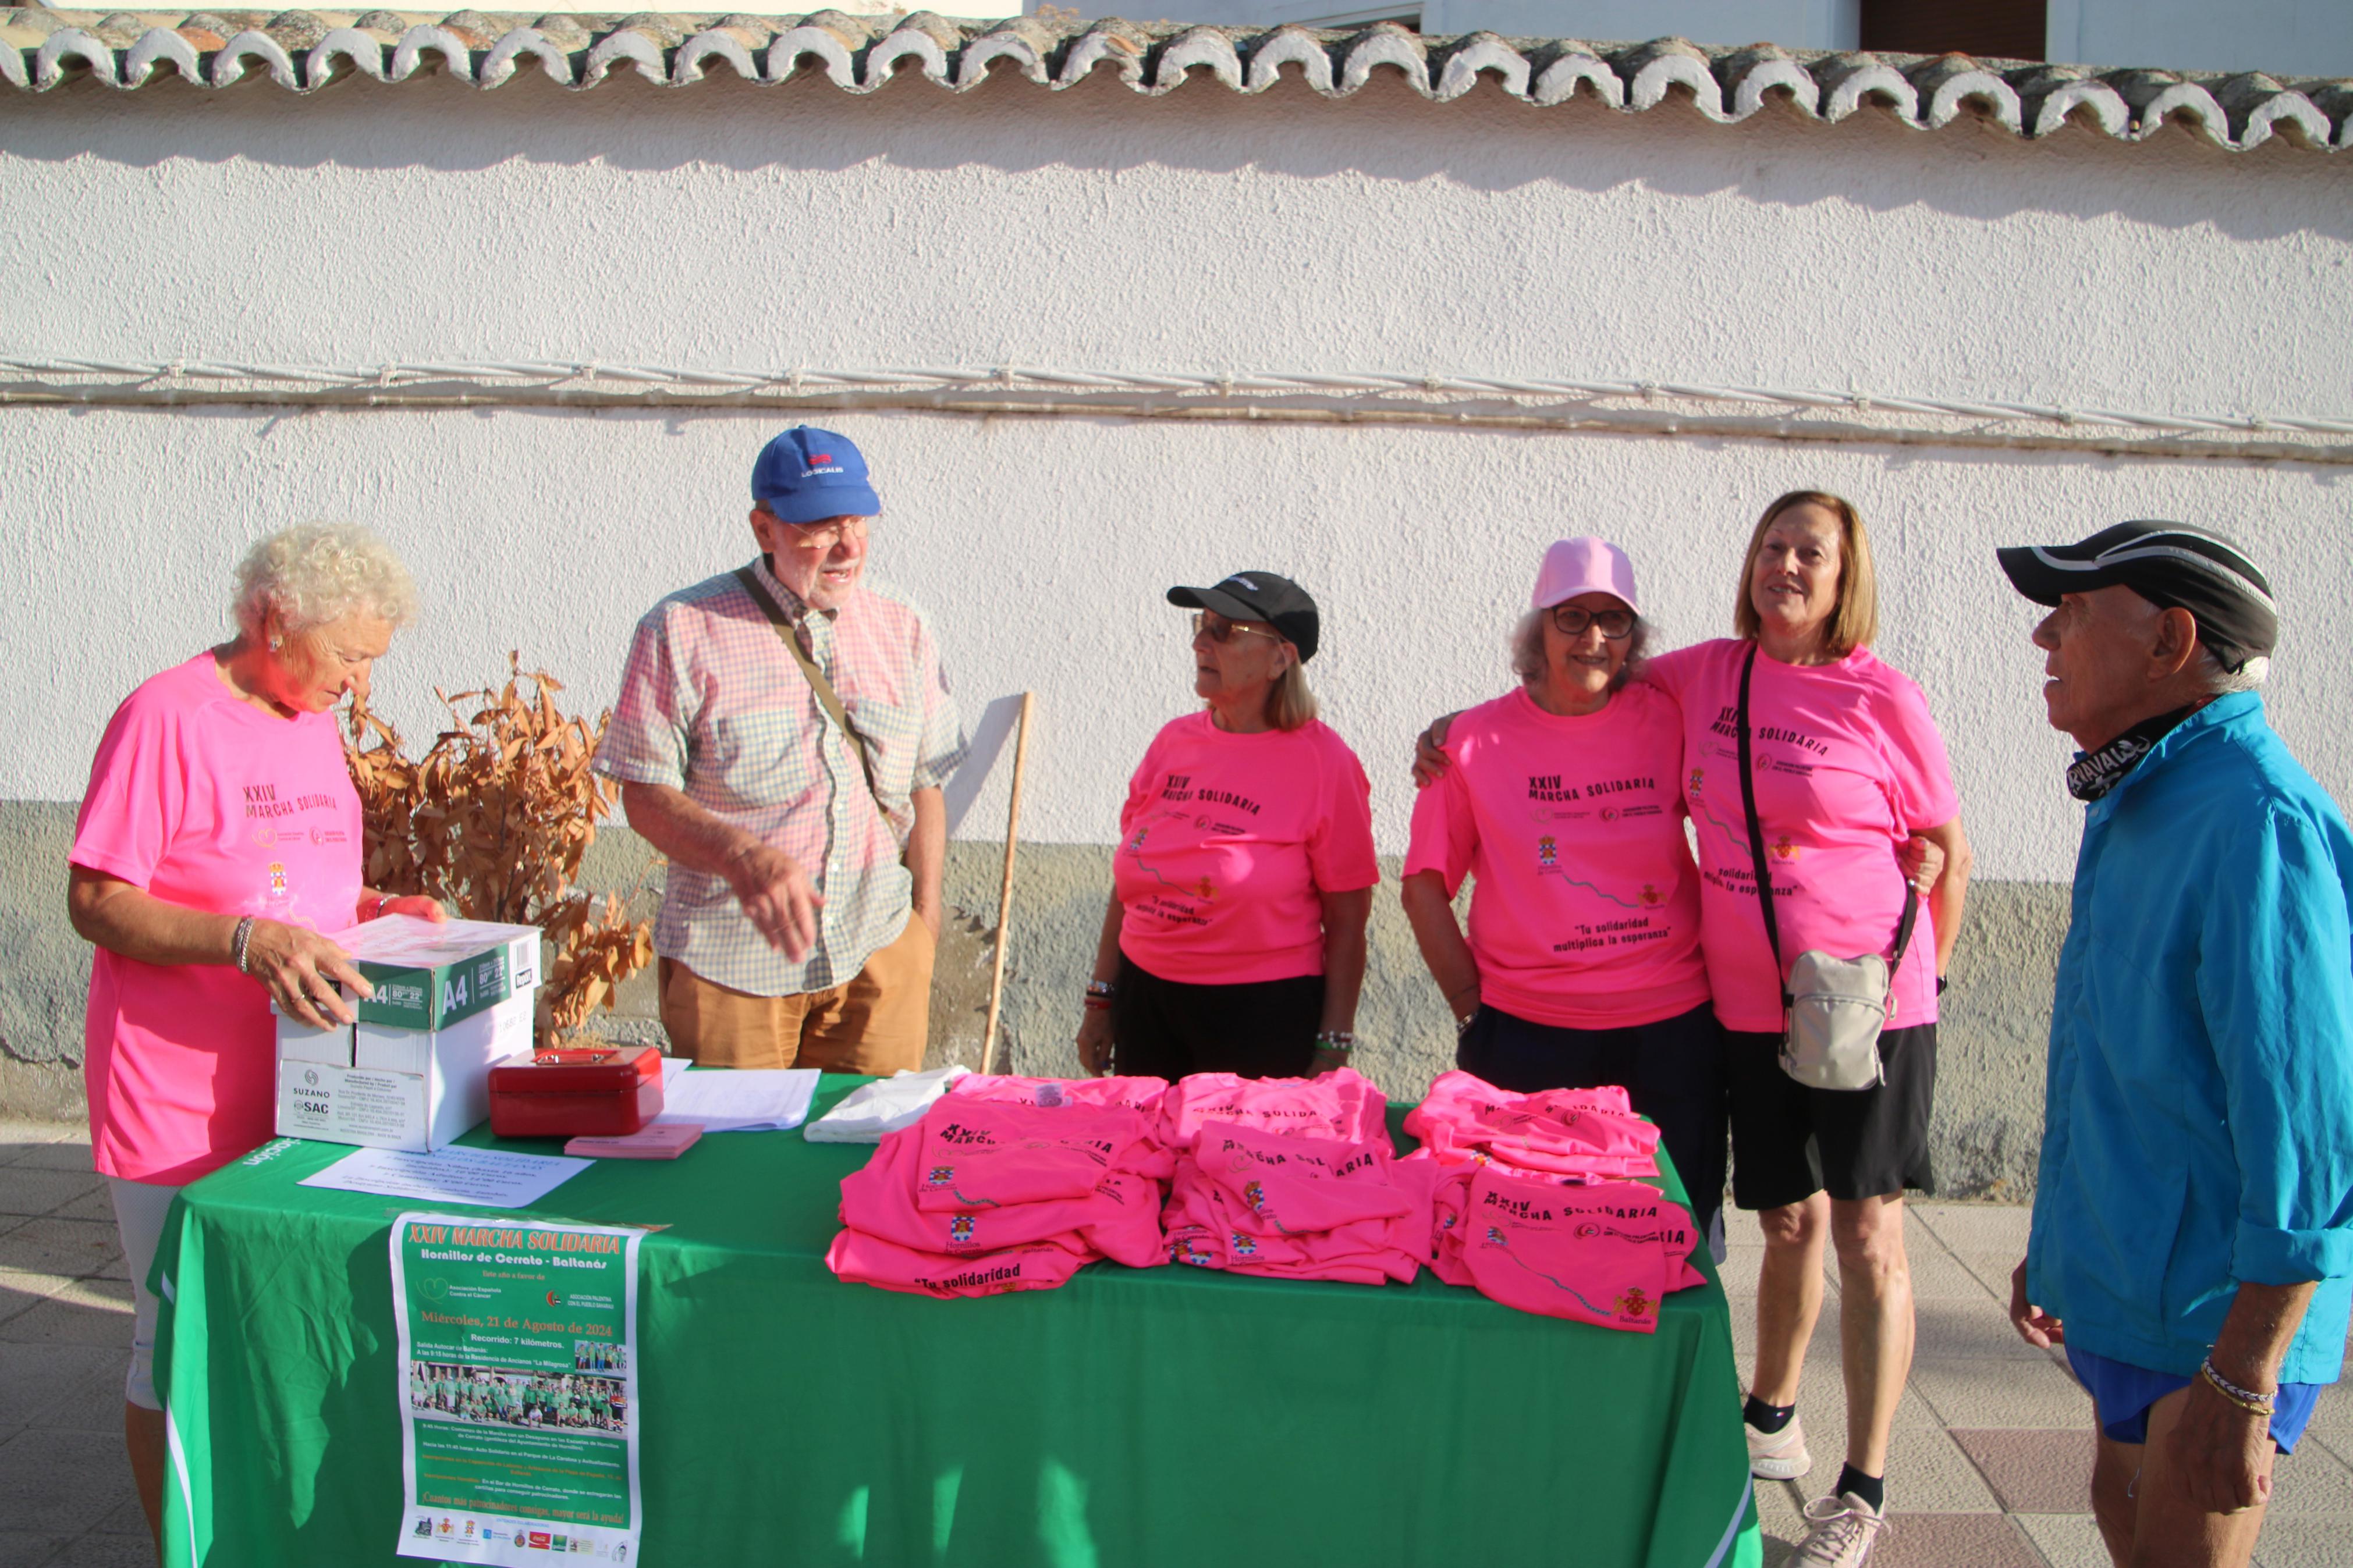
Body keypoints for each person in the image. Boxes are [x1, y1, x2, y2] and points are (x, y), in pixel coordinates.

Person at [67, 521, 443, 1548]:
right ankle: (176, 1545)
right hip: (179, 1097)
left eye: (373, 660)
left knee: (284, 1329)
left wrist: (378, 909)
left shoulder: (308, 720)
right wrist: (242, 941)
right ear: (272, 619)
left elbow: (290, 881)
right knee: (174, 1339)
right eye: (350, 656)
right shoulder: (166, 718)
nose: (359, 684)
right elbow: (98, 898)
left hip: (307, 1089)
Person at [1997, 522, 2352, 1568]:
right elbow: (2126, 1064)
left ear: (2171, 644)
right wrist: (2060, 1241)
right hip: (2126, 1292)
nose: (2042, 639)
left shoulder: (2256, 822)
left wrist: (2243, 1377)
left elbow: (2307, 1132)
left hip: (2213, 1320)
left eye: (2072, 614)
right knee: (2121, 1515)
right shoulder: (2142, 791)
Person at [1649, 491, 1971, 1566]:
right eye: (1771, 547)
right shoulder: (1700, 675)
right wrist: (1455, 731)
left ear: (1843, 578)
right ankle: (1771, 1418)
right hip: (1741, 1004)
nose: (1784, 567)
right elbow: (1580, 694)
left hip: (1859, 1010)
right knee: (1785, 1221)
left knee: (1866, 1235)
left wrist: (1914, 989)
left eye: (1809, 554)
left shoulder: (1882, 697)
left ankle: (1863, 1483)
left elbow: (1944, 852)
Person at [597, 426, 965, 1073]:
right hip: (733, 967)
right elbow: (643, 794)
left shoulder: (902, 625)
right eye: (818, 527)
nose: (847, 546)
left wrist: (923, 927)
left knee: (867, 1164)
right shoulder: (681, 628)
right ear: (763, 529)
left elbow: (924, 783)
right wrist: (741, 856)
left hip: (880, 950)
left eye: (856, 520)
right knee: (734, 1166)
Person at [1399, 538, 1728, 1253]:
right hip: (1527, 1037)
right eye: (1572, 617)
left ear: (1635, 638)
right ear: (1538, 629)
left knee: (1672, 1242)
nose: (1594, 639)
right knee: (1522, 1241)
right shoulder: (1471, 742)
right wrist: (1468, 1006)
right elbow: (1424, 886)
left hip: (1669, 1032)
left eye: (1614, 621)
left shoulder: (1670, 718)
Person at [1075, 571, 1378, 1080]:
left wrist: (1331, 1048)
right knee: (1147, 1155)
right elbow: (1126, 887)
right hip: (1146, 1001)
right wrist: (1100, 1000)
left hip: (1261, 1016)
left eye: (1224, 631)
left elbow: (1348, 924)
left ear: (1280, 658)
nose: (1199, 642)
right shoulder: (1173, 742)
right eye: (1202, 624)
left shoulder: (1325, 763)